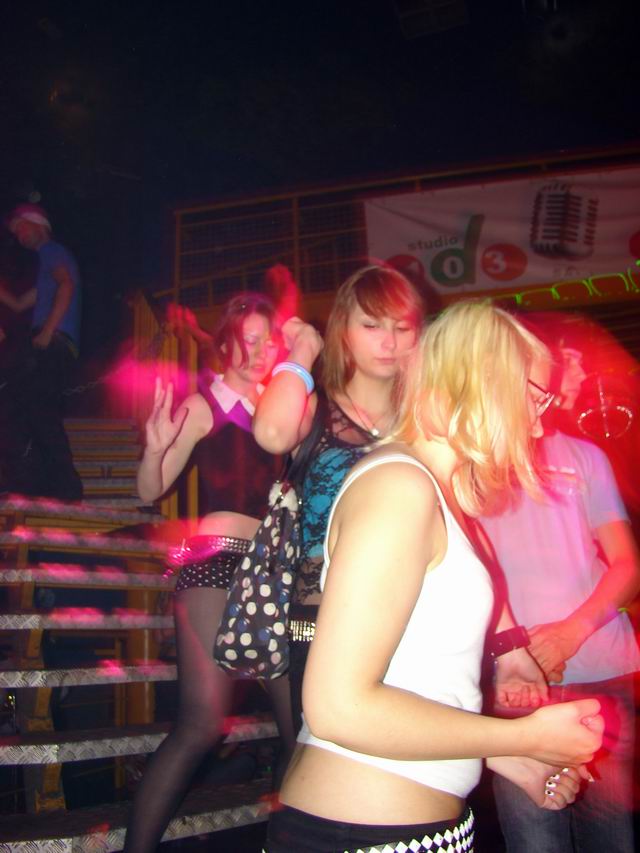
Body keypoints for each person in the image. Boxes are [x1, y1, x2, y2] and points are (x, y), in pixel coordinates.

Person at [264, 300, 604, 853]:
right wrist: (524, 733)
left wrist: (506, 755)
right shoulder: (400, 487)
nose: (540, 424)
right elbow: (337, 708)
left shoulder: (430, 493)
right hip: (362, 837)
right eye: (536, 397)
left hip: (397, 831)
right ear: (484, 379)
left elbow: (418, 681)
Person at [124, 292, 296, 853]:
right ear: (225, 345)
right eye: (248, 340)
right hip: (215, 563)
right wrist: (154, 451)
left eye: (268, 341)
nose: (259, 351)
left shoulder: (283, 406)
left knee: (299, 728)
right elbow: (150, 489)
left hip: (272, 570)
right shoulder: (206, 405)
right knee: (200, 725)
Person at [480, 329, 640, 853]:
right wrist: (514, 650)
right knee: (536, 844)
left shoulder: (585, 456)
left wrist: (569, 634)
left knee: (611, 840)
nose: (547, 401)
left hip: (603, 672)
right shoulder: (469, 465)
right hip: (517, 683)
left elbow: (627, 565)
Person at [253, 263, 425, 732]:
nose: (389, 342)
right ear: (344, 330)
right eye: (372, 325)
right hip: (321, 617)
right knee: (312, 752)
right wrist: (304, 350)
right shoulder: (316, 407)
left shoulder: (427, 417)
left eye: (402, 327)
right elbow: (271, 433)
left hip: (415, 614)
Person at [0, 203, 82, 499]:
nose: (19, 235)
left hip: (51, 340)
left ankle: (55, 486)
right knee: (35, 410)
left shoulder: (51, 250)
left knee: (24, 408)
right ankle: (53, 485)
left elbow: (67, 285)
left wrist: (47, 331)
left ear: (39, 224)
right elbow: (20, 303)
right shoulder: (47, 265)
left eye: (22, 227)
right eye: (16, 232)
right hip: (51, 342)